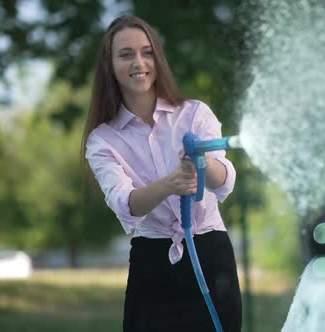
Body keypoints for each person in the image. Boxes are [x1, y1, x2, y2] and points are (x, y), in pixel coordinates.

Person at [81, 15, 242, 332]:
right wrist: (171, 184)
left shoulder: (195, 113)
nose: (138, 62)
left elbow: (225, 181)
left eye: (146, 52)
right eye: (126, 54)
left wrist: (201, 164)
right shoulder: (103, 139)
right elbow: (126, 203)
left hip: (211, 256)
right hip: (152, 264)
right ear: (110, 65)